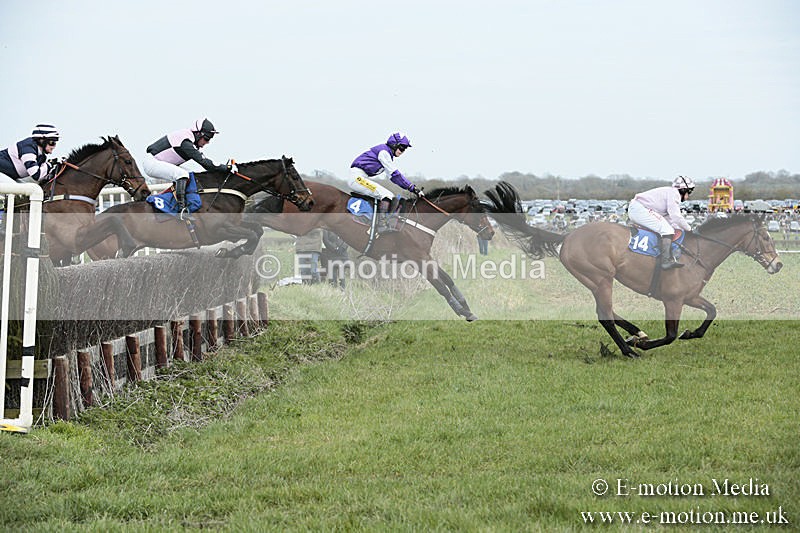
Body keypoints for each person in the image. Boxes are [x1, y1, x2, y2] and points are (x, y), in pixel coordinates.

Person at [143, 118, 234, 216]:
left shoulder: (189, 140)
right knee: (182, 174)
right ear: (198, 134)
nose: (207, 142)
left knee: (188, 175)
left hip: (156, 162)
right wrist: (226, 167)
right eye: (207, 139)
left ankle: (175, 205)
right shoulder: (185, 141)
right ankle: (182, 209)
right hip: (152, 163)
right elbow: (206, 163)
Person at [348, 132, 422, 232]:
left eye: (404, 149)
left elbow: (393, 177)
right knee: (386, 195)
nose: (402, 151)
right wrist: (412, 187)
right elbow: (395, 174)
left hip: (360, 177)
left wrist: (411, 187)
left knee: (389, 195)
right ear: (394, 145)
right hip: (357, 178)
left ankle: (371, 220)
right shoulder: (384, 152)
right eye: (401, 148)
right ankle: (381, 225)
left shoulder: (387, 153)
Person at [627, 175, 695, 269]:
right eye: (689, 192)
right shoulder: (674, 194)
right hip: (639, 209)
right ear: (683, 190)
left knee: (669, 228)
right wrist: (689, 229)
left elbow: (671, 219)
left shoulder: (670, 192)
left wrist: (680, 228)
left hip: (638, 208)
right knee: (667, 230)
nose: (688, 196)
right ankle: (665, 261)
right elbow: (676, 216)